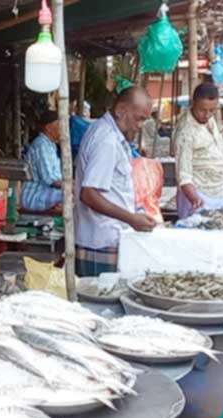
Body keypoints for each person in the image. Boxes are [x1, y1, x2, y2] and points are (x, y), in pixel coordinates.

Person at [74, 86, 157, 277]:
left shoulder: (112, 136)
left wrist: (136, 213)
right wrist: (131, 218)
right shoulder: (107, 140)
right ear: (121, 111)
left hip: (107, 237)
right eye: (139, 118)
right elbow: (89, 194)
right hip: (100, 239)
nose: (140, 125)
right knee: (97, 302)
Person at [173, 82, 223, 218]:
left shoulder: (210, 120)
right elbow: (183, 175)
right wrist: (195, 200)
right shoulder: (186, 132)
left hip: (218, 193)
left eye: (212, 110)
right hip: (199, 196)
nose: (207, 114)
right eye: (202, 110)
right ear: (193, 103)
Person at [21, 111, 63, 212]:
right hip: (35, 196)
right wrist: (72, 186)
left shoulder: (50, 145)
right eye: (59, 124)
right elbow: (49, 179)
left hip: (47, 192)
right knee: (78, 196)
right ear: (49, 127)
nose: (63, 129)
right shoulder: (41, 145)